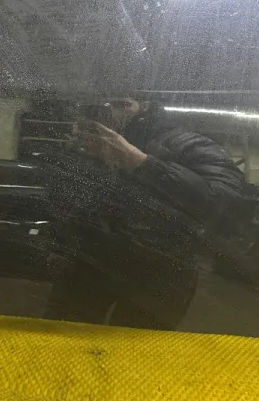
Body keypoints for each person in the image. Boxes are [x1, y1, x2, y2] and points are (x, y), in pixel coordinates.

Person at [44, 98, 246, 329]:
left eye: (121, 103)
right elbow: (67, 197)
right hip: (86, 264)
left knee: (138, 349)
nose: (111, 112)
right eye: (101, 102)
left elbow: (227, 203)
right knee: (65, 341)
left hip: (160, 274)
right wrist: (58, 244)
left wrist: (140, 162)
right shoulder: (83, 144)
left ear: (145, 105)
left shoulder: (191, 145)